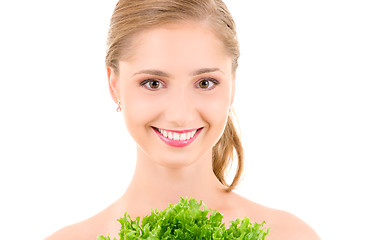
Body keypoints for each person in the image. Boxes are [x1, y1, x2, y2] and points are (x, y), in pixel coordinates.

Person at [46, 0, 320, 239]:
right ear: (114, 85)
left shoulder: (289, 236)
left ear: (233, 85)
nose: (180, 115)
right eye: (153, 83)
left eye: (205, 83)